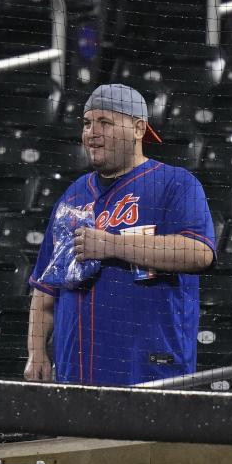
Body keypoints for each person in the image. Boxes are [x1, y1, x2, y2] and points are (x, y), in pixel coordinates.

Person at [25, 83, 217, 386]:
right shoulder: (73, 194)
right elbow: (46, 286)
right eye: (87, 123)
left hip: (150, 370)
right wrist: (36, 353)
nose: (92, 132)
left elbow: (199, 253)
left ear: (138, 128)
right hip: (75, 371)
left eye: (105, 122)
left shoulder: (176, 183)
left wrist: (112, 244)